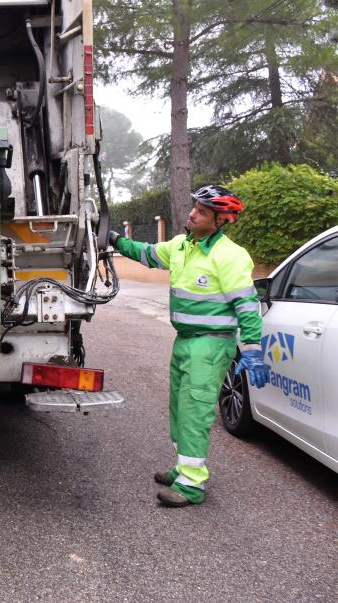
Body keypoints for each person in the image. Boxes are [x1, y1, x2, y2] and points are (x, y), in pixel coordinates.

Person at [109, 185, 269, 508]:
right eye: (195, 207)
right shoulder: (182, 245)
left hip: (211, 345)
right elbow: (147, 253)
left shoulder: (229, 256)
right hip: (185, 341)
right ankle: (183, 468)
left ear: (221, 221)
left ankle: (192, 485)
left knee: (194, 410)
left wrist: (252, 349)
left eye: (202, 211)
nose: (192, 214)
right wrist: (113, 240)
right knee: (179, 408)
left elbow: (248, 306)